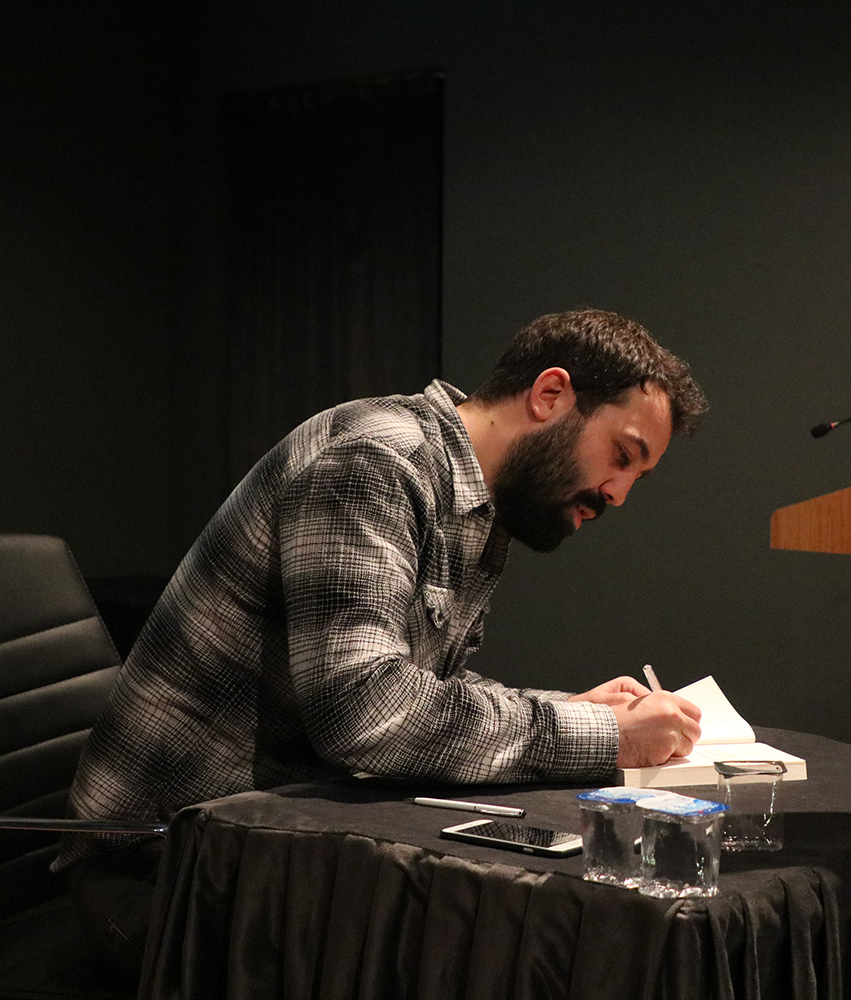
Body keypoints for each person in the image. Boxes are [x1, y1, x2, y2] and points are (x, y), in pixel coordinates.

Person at [57, 307, 708, 978]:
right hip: (167, 873)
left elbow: (422, 688)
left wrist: (582, 712)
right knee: (521, 953)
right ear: (550, 396)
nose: (619, 494)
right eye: (622, 456)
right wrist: (601, 737)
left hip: (272, 849)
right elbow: (366, 715)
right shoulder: (372, 461)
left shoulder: (482, 506)